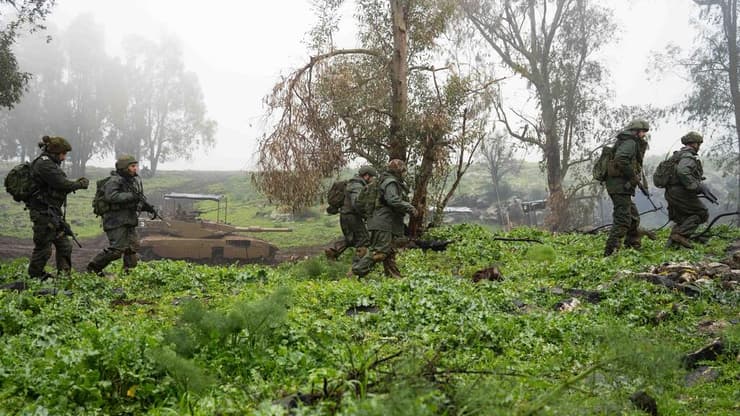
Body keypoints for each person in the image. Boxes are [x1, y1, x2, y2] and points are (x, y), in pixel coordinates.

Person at [27, 136, 89, 280]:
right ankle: (34, 278)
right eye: (63, 153)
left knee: (65, 245)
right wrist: (79, 184)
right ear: (55, 152)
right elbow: (62, 184)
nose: (64, 157)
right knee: (43, 249)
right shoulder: (44, 165)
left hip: (53, 213)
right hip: (43, 214)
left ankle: (64, 277)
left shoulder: (51, 163)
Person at [87, 155, 153, 275]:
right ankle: (94, 267)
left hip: (128, 220)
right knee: (117, 250)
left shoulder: (131, 181)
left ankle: (129, 273)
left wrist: (148, 208)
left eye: (135, 166)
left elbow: (133, 201)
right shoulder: (114, 181)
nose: (135, 169)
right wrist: (132, 196)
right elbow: (111, 197)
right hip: (115, 221)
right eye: (132, 166)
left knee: (133, 247)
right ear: (124, 167)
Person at [352, 159, 417, 278]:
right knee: (380, 252)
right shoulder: (390, 182)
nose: (404, 174)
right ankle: (357, 270)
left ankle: (395, 278)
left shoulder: (385, 180)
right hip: (383, 223)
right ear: (399, 171)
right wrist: (410, 208)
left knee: (389, 252)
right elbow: (393, 200)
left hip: (384, 222)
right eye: (403, 171)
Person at [603, 119, 650, 257]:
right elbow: (621, 159)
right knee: (622, 218)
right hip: (619, 186)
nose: (644, 135)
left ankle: (632, 244)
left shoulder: (627, 141)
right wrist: (632, 177)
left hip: (620, 186)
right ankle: (610, 252)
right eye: (643, 132)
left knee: (633, 216)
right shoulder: (630, 142)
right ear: (636, 131)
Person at [664, 132, 710, 248]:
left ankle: (671, 246)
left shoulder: (677, 156)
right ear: (695, 144)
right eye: (699, 143)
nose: (699, 146)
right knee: (701, 213)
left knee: (682, 218)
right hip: (681, 192)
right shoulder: (688, 156)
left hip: (671, 191)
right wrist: (695, 186)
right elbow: (682, 171)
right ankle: (680, 235)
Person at [325, 165, 378, 261]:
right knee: (364, 240)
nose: (372, 180)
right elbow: (356, 203)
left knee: (351, 238)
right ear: (366, 176)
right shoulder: (357, 185)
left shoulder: (352, 183)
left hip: (345, 215)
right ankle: (358, 265)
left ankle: (332, 250)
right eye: (372, 177)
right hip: (352, 216)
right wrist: (366, 215)